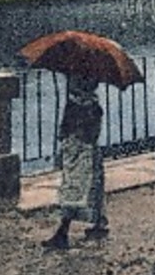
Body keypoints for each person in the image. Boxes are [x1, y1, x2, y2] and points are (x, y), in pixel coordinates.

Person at [42, 74, 109, 250]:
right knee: (89, 187)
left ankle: (63, 232)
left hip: (80, 153)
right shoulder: (90, 106)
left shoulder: (83, 107)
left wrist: (70, 136)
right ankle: (98, 223)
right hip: (80, 152)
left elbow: (75, 133)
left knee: (75, 189)